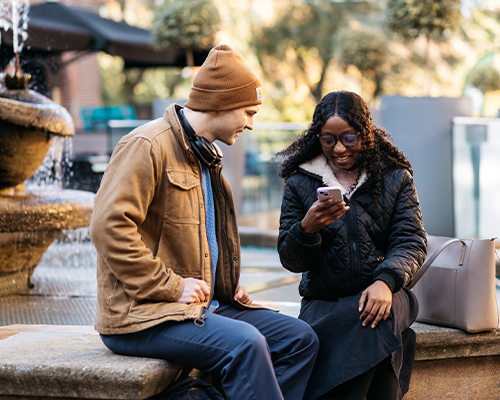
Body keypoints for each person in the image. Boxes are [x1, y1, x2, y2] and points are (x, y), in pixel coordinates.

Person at [90, 44, 319, 400]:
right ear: (223, 103)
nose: (252, 124)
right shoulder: (146, 145)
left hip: (199, 306)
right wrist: (170, 286)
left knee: (300, 340)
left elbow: (199, 238)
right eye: (249, 111)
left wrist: (225, 286)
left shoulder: (205, 156)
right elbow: (108, 227)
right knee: (247, 345)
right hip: (143, 315)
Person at [276, 90, 427, 400]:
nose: (339, 148)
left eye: (349, 138)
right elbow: (291, 260)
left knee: (374, 313)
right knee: (377, 332)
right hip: (326, 302)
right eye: (328, 139)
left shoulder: (394, 177)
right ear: (317, 136)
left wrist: (385, 283)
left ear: (365, 134)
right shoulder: (300, 183)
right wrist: (307, 229)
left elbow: (411, 240)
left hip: (388, 294)